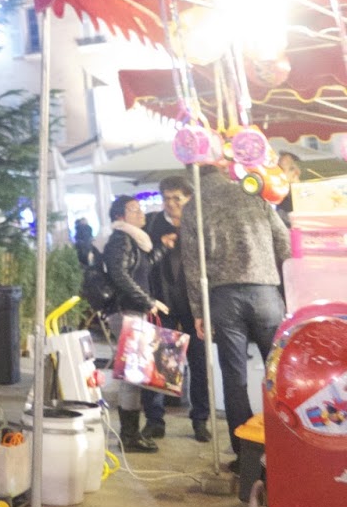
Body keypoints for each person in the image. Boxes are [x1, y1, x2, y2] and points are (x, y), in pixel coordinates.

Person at [180, 163, 291, 469]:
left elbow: (193, 266)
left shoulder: (194, 208)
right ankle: (287, 446)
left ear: (193, 178)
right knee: (278, 373)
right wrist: (290, 290)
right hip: (266, 292)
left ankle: (246, 457)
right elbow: (285, 244)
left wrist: (198, 312)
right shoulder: (253, 191)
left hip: (223, 298)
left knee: (234, 377)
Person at [102, 194, 170, 454]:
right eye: (134, 209)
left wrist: (163, 247)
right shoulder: (120, 238)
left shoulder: (133, 240)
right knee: (131, 376)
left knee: (135, 375)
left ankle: (130, 433)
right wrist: (148, 300)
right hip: (126, 311)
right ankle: (129, 436)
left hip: (134, 310)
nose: (141, 213)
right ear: (120, 216)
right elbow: (119, 274)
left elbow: (138, 269)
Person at [146, 176, 210, 442]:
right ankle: (154, 420)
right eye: (167, 198)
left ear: (189, 199)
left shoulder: (199, 225)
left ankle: (200, 420)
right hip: (162, 304)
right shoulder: (152, 224)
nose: (171, 204)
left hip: (195, 305)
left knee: (199, 364)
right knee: (160, 364)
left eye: (177, 199)